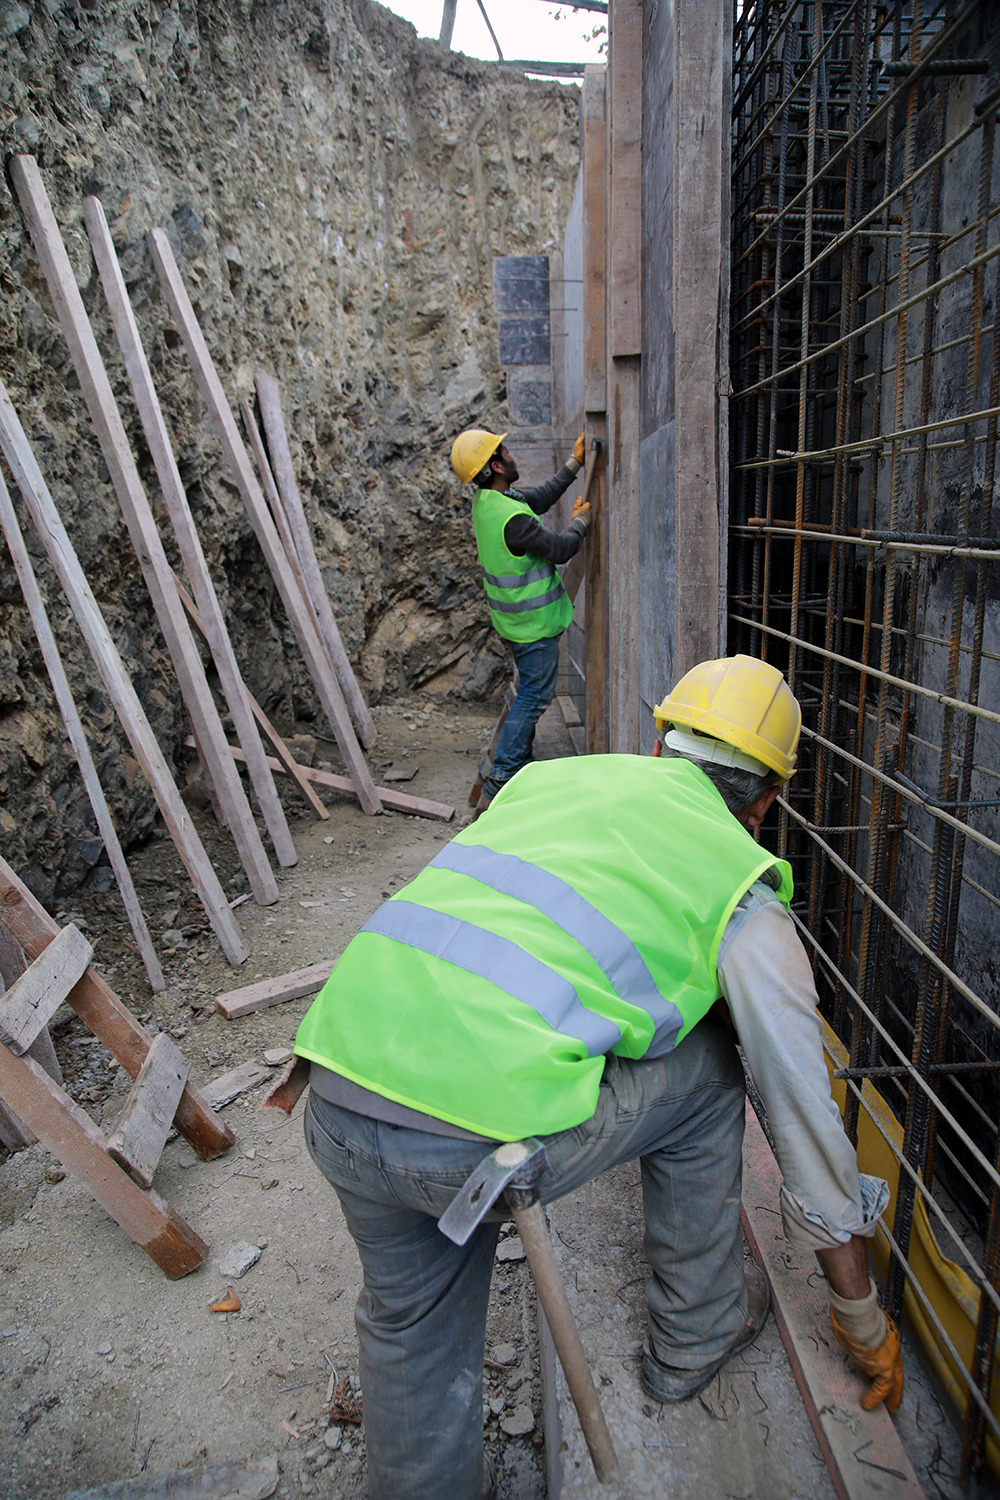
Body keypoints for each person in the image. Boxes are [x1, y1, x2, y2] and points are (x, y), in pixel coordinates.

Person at [293, 655, 902, 1500]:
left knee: (409, 1321)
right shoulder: (738, 886)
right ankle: (696, 1333)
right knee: (713, 1072)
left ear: (659, 747)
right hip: (465, 1146)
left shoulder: (551, 782)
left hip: (337, 1083)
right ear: (767, 803)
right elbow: (799, 1105)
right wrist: (859, 1312)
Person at [450, 427, 593, 814]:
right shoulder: (511, 519)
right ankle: (502, 777)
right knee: (532, 698)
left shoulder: (490, 501)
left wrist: (574, 463)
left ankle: (515, 767)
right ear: (496, 465)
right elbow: (560, 548)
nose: (512, 455)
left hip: (514, 624)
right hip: (533, 627)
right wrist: (581, 522)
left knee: (527, 695)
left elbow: (539, 498)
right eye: (506, 452)